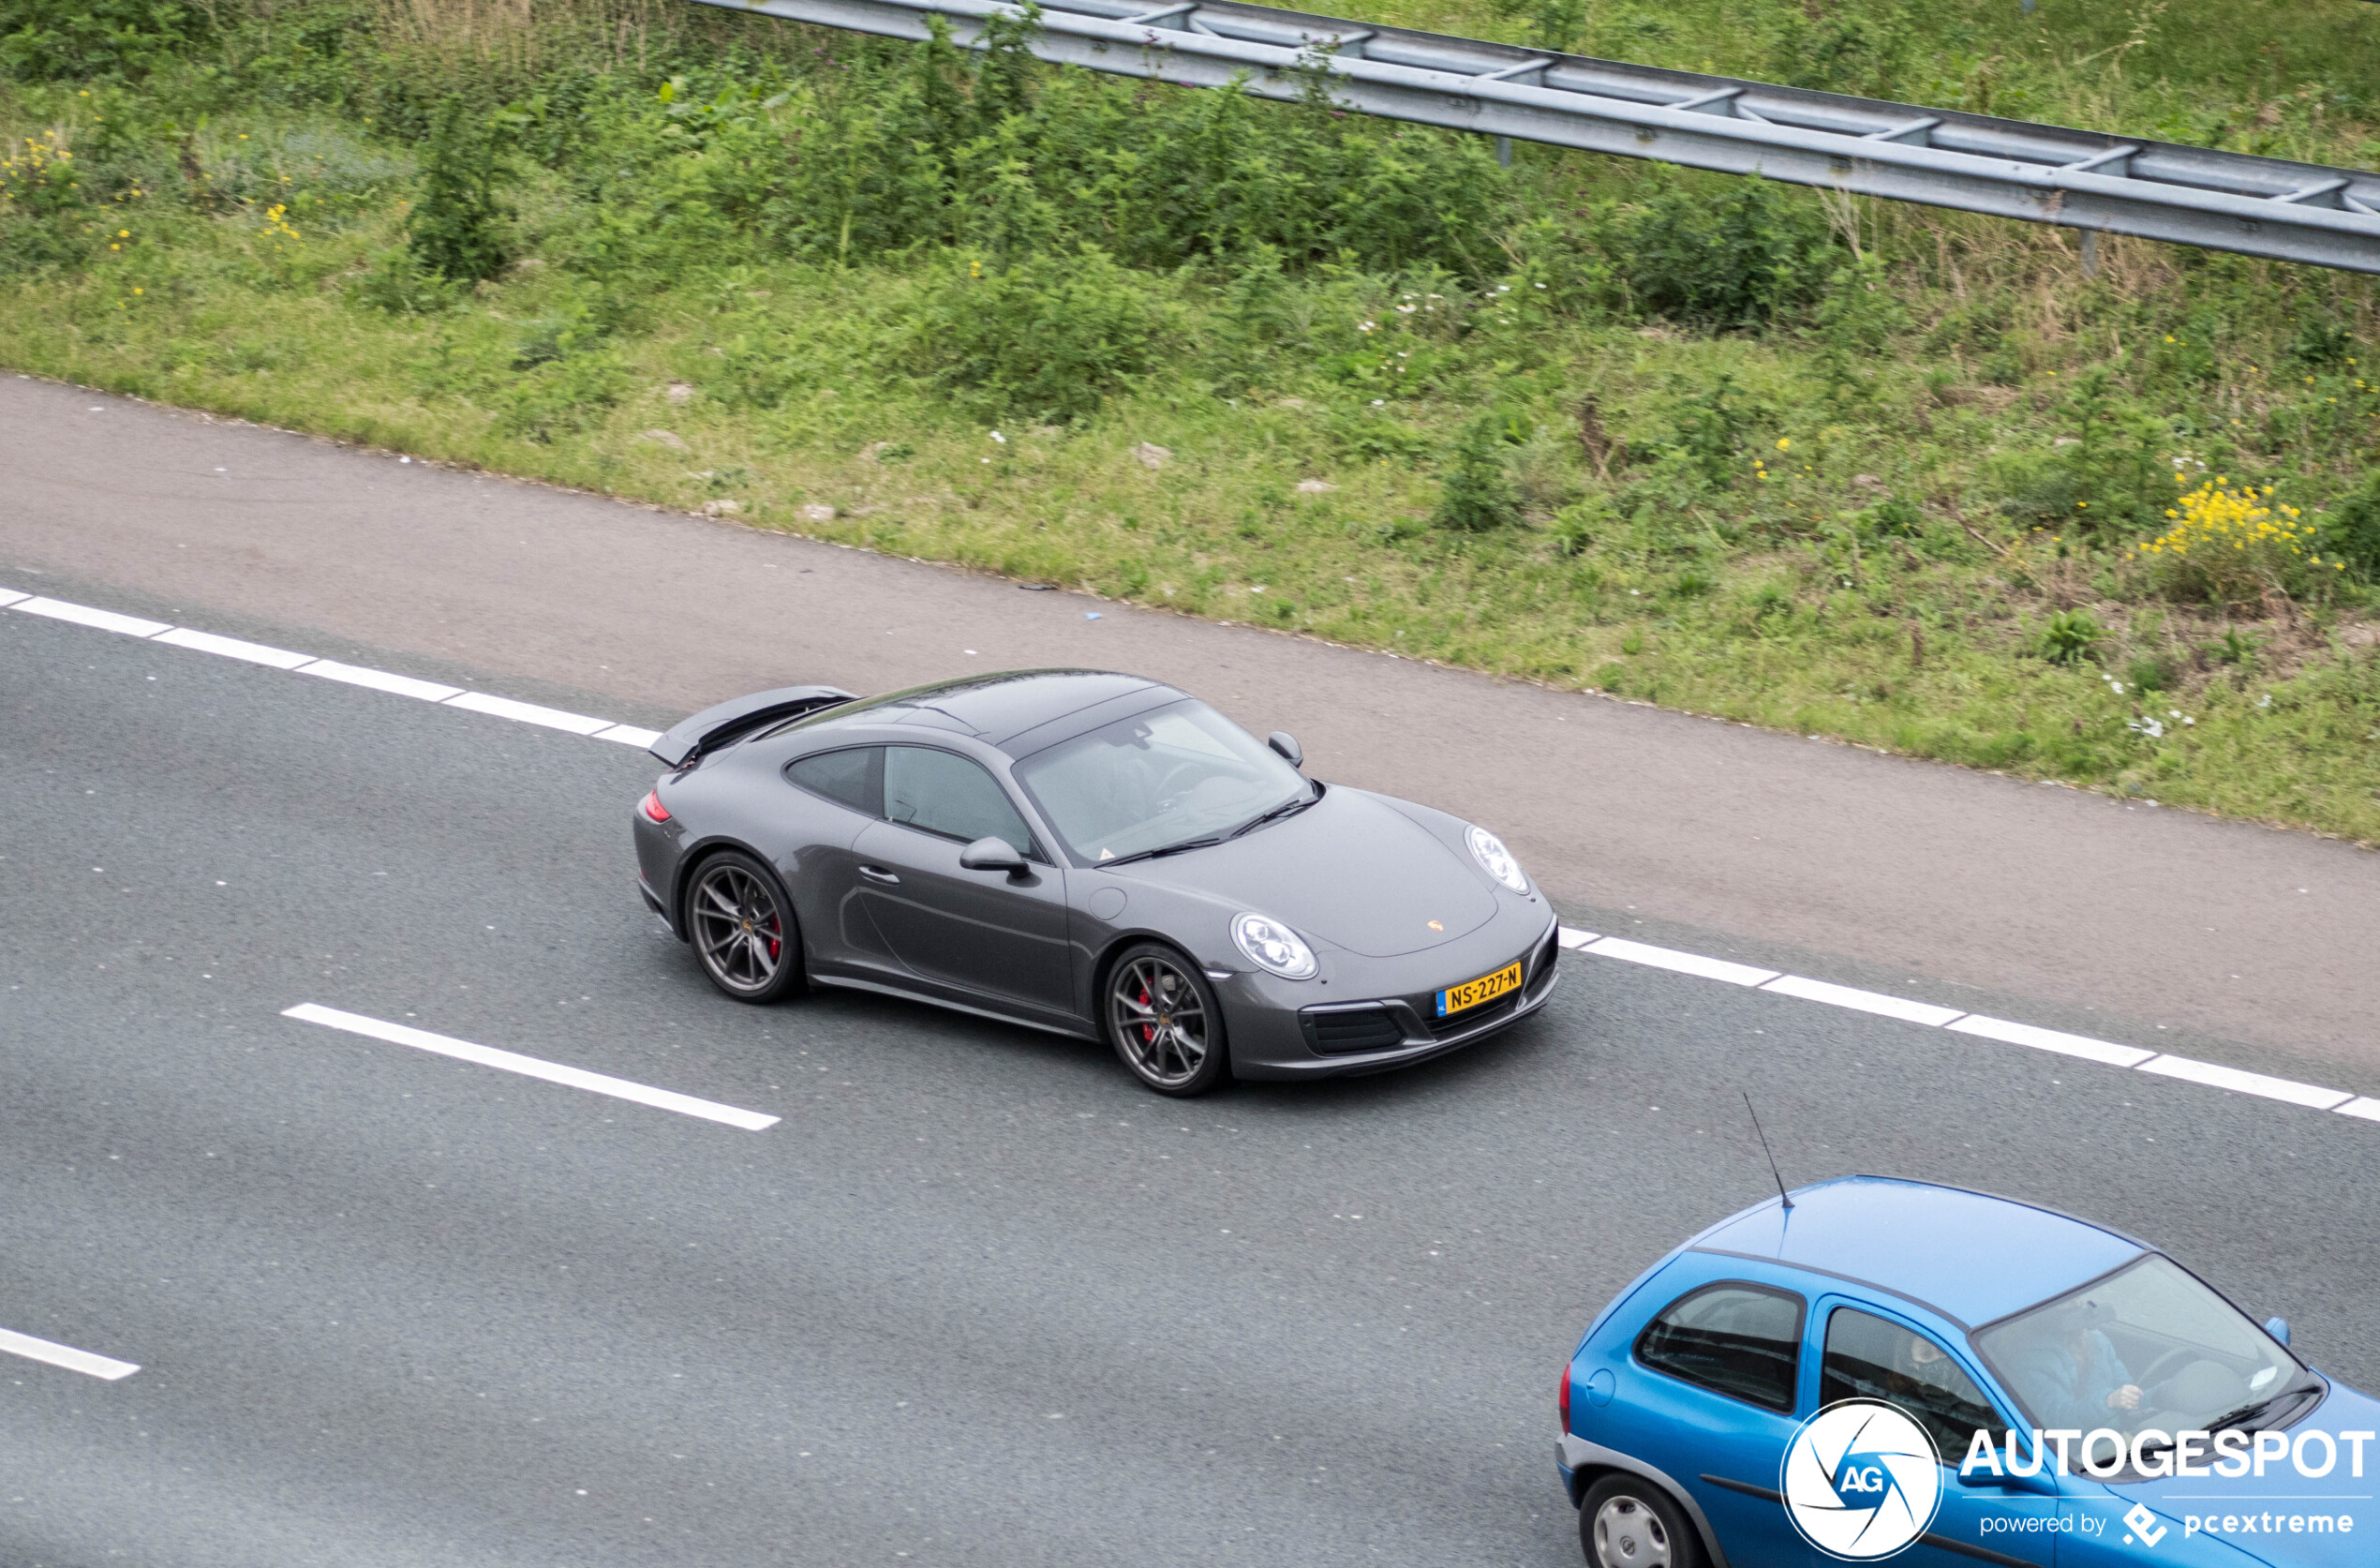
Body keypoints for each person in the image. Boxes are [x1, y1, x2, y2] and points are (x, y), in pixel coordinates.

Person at [2002, 1299, 2145, 1434]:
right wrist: (2108, 1401)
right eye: (2068, 1303)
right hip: (2078, 1452)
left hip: (2120, 1431)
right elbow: (2059, 1423)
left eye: (2078, 1299)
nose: (2079, 1305)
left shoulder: (2097, 1340)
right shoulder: (2032, 1363)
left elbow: (2128, 1388)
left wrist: (2156, 1394)